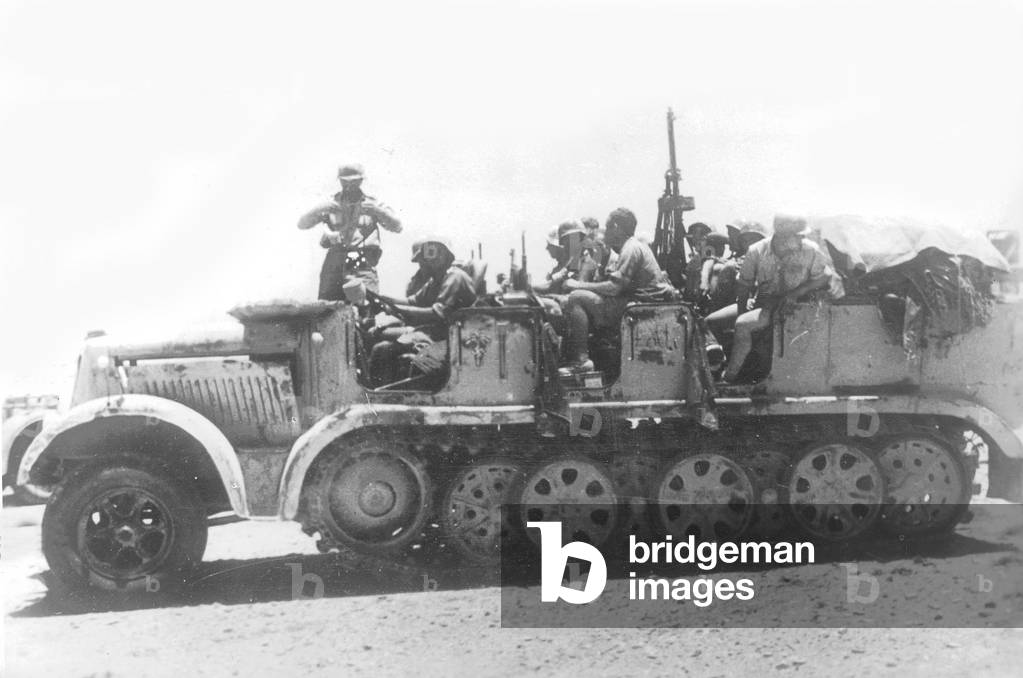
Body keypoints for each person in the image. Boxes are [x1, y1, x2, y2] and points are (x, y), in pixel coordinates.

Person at [720, 214, 839, 382]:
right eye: (798, 236)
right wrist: (741, 311)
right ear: (782, 236)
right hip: (763, 302)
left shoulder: (809, 249)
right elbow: (744, 286)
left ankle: (730, 377)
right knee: (714, 321)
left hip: (797, 306)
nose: (801, 239)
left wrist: (796, 292)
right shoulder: (757, 250)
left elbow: (825, 275)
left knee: (742, 326)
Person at [560, 208, 675, 374]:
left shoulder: (631, 248)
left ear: (616, 227)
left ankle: (581, 361)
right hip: (637, 305)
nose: (605, 232)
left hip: (638, 308)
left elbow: (614, 288)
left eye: (607, 228)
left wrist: (576, 285)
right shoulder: (633, 247)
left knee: (577, 298)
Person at [369, 236, 476, 386]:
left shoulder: (455, 277)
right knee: (381, 348)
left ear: (446, 255)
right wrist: (383, 298)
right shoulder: (437, 279)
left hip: (448, 339)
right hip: (436, 335)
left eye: (435, 252)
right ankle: (381, 394)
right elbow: (413, 301)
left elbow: (437, 313)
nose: (429, 259)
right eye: (427, 254)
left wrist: (399, 309)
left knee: (381, 349)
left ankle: (382, 397)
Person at [297, 163, 402, 298]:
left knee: (365, 305)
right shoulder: (330, 203)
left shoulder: (373, 203)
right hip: (335, 260)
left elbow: (397, 226)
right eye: (344, 182)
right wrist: (319, 209)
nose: (348, 186)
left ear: (361, 180)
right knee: (329, 306)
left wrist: (378, 211)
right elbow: (302, 224)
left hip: (361, 260)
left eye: (353, 182)